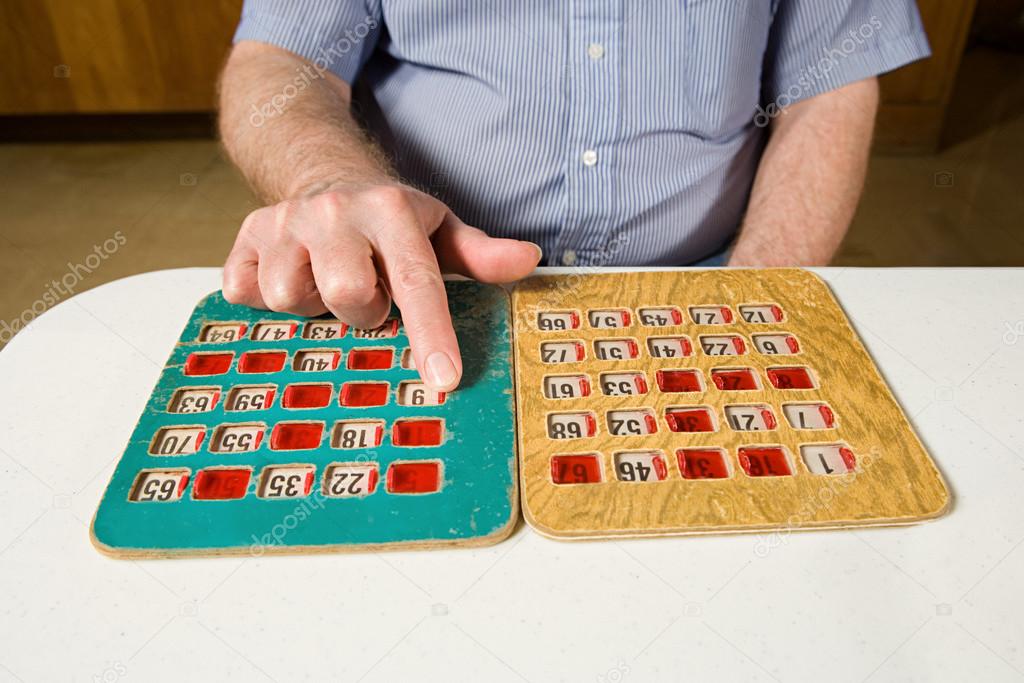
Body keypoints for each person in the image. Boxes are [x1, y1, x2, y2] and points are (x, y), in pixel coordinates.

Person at [218, 0, 930, 390]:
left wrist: (749, 300)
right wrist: (329, 180)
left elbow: (828, 87)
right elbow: (285, 58)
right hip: (410, 290)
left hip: (713, 286)